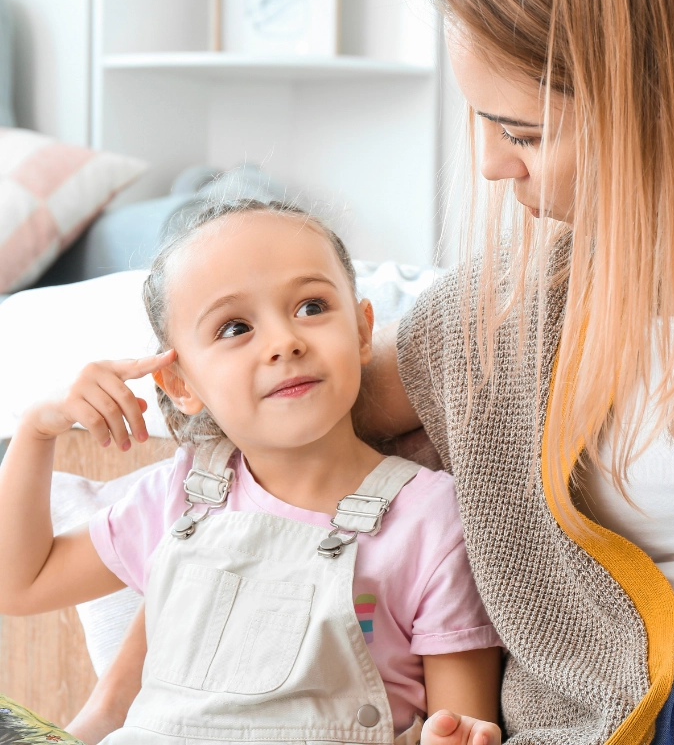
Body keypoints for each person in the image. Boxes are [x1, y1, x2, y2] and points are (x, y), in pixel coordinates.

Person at [55, 0, 674, 742]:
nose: (487, 165)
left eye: (525, 132)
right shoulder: (504, 317)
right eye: (480, 120)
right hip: (608, 715)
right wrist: (115, 704)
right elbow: (262, 475)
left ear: (667, 104)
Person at [0, 200, 504, 744]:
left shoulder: (431, 518)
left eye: (312, 306)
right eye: (235, 327)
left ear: (363, 332)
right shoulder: (178, 500)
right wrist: (36, 432)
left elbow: (465, 719)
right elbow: (19, 585)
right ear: (181, 385)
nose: (284, 341)